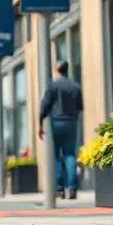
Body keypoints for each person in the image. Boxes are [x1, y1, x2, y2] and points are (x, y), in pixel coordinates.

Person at [38, 60, 84, 200]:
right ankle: (72, 188)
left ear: (57, 70)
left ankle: (59, 189)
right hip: (71, 122)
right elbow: (80, 106)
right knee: (70, 154)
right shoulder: (75, 86)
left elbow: (45, 105)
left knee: (56, 155)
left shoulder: (53, 86)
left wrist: (40, 124)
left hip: (56, 122)